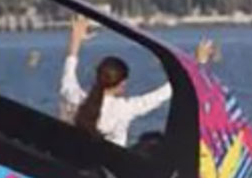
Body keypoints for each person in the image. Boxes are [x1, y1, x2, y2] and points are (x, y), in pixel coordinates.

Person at [61, 17, 171, 146]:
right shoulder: (124, 109)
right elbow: (158, 97)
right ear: (122, 84)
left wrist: (75, 39)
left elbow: (69, 68)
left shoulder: (73, 97)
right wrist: (195, 63)